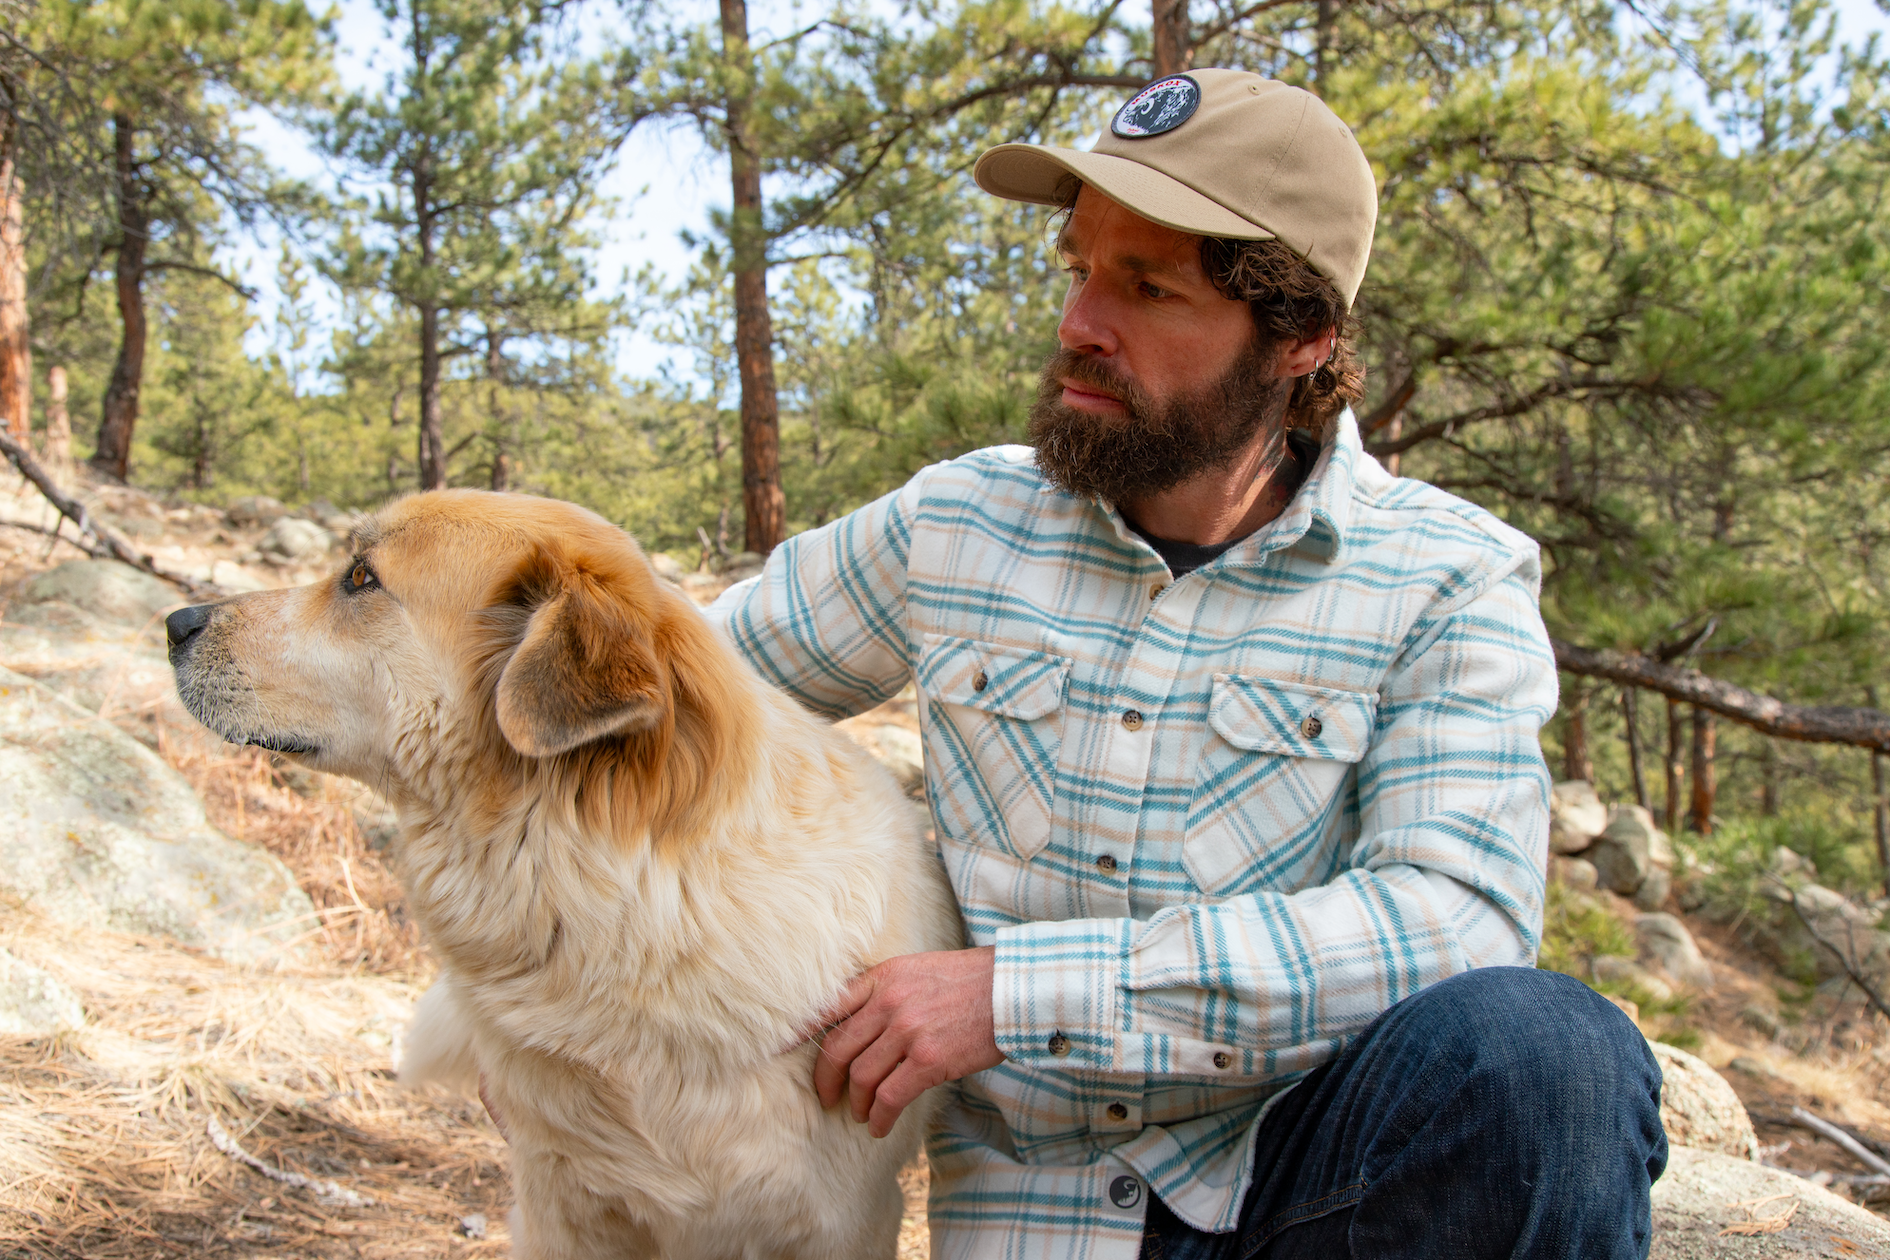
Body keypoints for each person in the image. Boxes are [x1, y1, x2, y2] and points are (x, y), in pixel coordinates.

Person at [708, 68, 1665, 1260]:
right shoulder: (954, 525)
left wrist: (1017, 995)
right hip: (1030, 1223)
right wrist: (533, 1017)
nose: (1077, 326)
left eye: (1147, 287)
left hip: (1308, 1201)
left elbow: (1455, 922)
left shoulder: (1445, 579)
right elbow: (672, 698)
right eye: (1079, 269)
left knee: (1552, 1056)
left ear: (1300, 336)